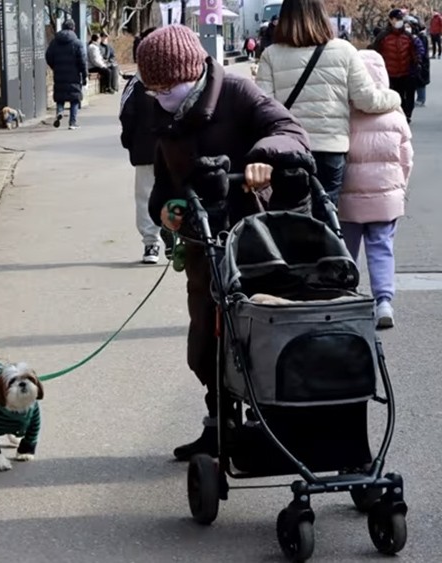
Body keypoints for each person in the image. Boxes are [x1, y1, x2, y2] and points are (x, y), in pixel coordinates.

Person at [136, 24, 314, 461]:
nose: (160, 94)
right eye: (152, 87)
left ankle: (272, 424)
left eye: (167, 85)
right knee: (206, 344)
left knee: (258, 335)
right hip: (204, 244)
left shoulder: (238, 92)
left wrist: (263, 158)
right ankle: (217, 425)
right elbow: (163, 183)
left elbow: (291, 132)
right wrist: (166, 211)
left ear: (192, 71)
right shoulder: (159, 111)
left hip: (258, 240)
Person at [256, 0, 400, 218]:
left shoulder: (271, 55)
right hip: (330, 149)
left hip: (287, 150)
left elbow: (264, 109)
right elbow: (367, 101)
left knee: (289, 217)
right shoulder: (344, 51)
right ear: (321, 16)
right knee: (326, 216)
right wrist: (394, 97)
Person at [338, 50, 413, 329]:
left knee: (346, 249)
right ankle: (383, 301)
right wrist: (399, 186)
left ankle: (346, 298)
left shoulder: (344, 112)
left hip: (348, 197)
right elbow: (407, 157)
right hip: (385, 197)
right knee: (382, 248)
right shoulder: (394, 113)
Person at [120, 27, 169, 264]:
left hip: (146, 148)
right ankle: (178, 239)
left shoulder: (137, 82)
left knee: (146, 196)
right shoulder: (182, 74)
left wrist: (129, 141)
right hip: (177, 147)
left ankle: (151, 244)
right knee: (180, 191)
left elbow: (126, 114)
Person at [371, 8, 425, 123]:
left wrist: (418, 62)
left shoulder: (407, 36)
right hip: (390, 73)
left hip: (407, 72)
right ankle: (399, 116)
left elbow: (414, 51)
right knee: (397, 97)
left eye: (400, 19)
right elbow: (375, 53)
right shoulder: (383, 37)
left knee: (409, 96)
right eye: (396, 19)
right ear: (390, 20)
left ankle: (407, 115)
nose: (399, 21)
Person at [45, 19, 88, 130]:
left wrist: (54, 66)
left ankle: (59, 111)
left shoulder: (54, 42)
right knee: (74, 99)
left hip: (59, 74)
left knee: (60, 96)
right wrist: (84, 75)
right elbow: (83, 61)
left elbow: (48, 56)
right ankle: (72, 123)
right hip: (74, 75)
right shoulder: (77, 43)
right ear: (73, 28)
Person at [410, 22, 431, 107]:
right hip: (419, 62)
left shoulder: (421, 37)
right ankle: (420, 98)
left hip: (421, 62)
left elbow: (422, 51)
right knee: (417, 81)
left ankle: (421, 99)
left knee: (420, 81)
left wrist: (418, 60)